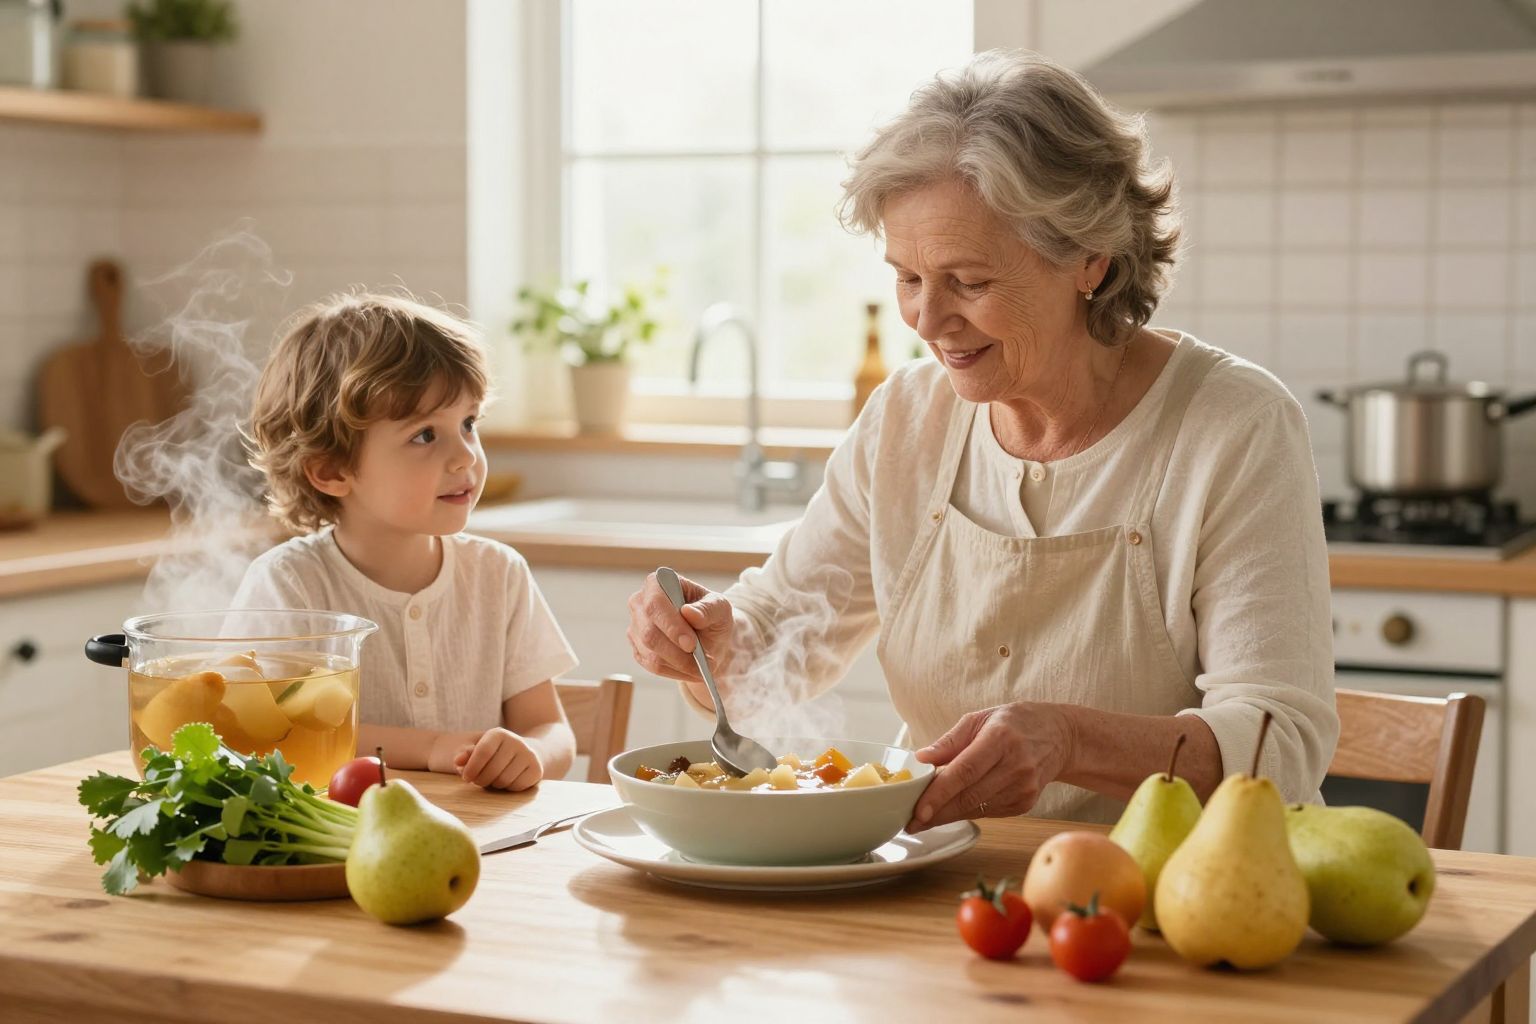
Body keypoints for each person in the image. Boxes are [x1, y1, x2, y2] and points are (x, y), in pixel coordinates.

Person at [627, 50, 1337, 829]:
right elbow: (775, 634)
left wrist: (1067, 739)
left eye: (969, 282)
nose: (928, 322)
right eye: (906, 278)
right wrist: (711, 644)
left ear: (1089, 260)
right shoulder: (908, 420)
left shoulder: (1233, 426)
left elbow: (1282, 747)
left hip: (1175, 898)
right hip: (939, 880)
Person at [235, 293, 578, 791]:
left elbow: (552, 730)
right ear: (331, 470)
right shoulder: (289, 584)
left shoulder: (498, 574)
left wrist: (533, 754)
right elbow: (281, 734)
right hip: (339, 844)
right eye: (424, 436)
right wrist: (432, 748)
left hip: (480, 842)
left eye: (468, 423)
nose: (465, 457)